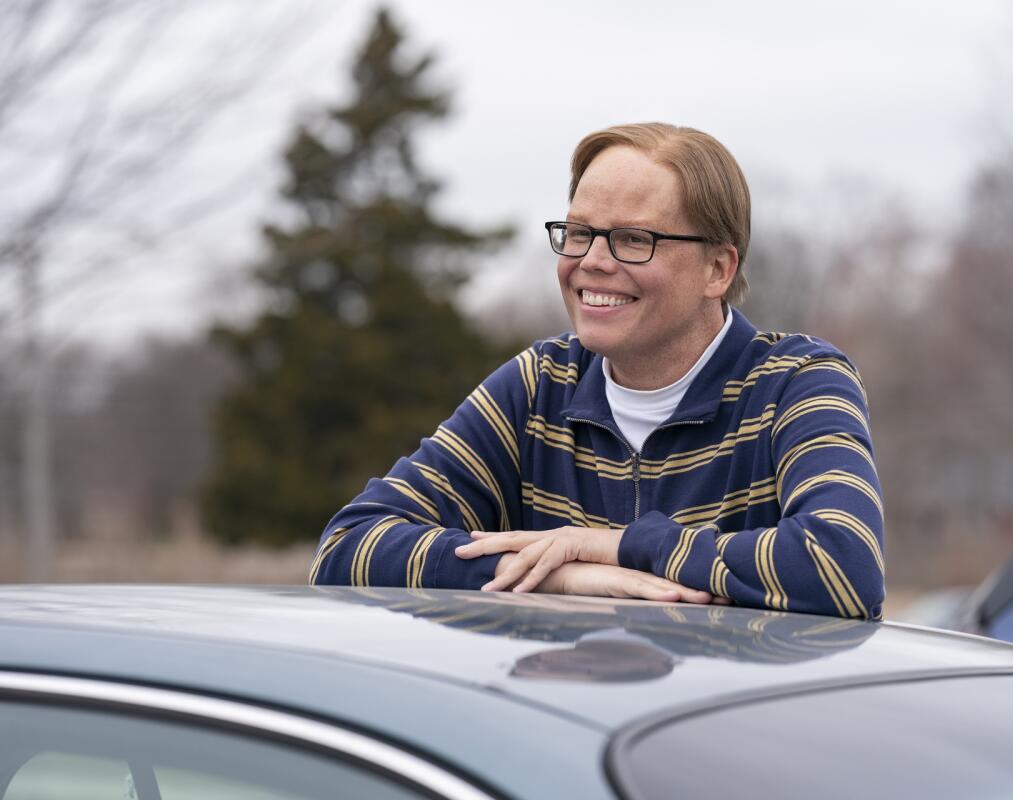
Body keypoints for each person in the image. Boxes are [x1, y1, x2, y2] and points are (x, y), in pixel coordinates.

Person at [311, 122, 885, 617]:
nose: (591, 262)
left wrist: (613, 546)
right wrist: (556, 575)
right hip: (561, 739)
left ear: (717, 268)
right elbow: (346, 547)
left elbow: (840, 564)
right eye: (580, 233)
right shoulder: (538, 389)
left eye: (633, 239)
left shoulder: (797, 383)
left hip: (731, 740)